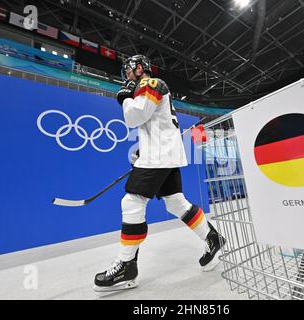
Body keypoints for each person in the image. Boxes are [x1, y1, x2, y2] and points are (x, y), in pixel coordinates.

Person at [94, 55, 226, 292]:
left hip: (160, 155)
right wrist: (142, 152)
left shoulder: (150, 84)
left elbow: (135, 117)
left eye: (129, 69)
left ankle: (126, 266)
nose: (126, 74)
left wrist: (123, 98)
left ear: (140, 68)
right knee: (175, 202)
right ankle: (213, 239)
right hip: (163, 153)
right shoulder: (147, 88)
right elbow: (153, 123)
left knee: (132, 201)